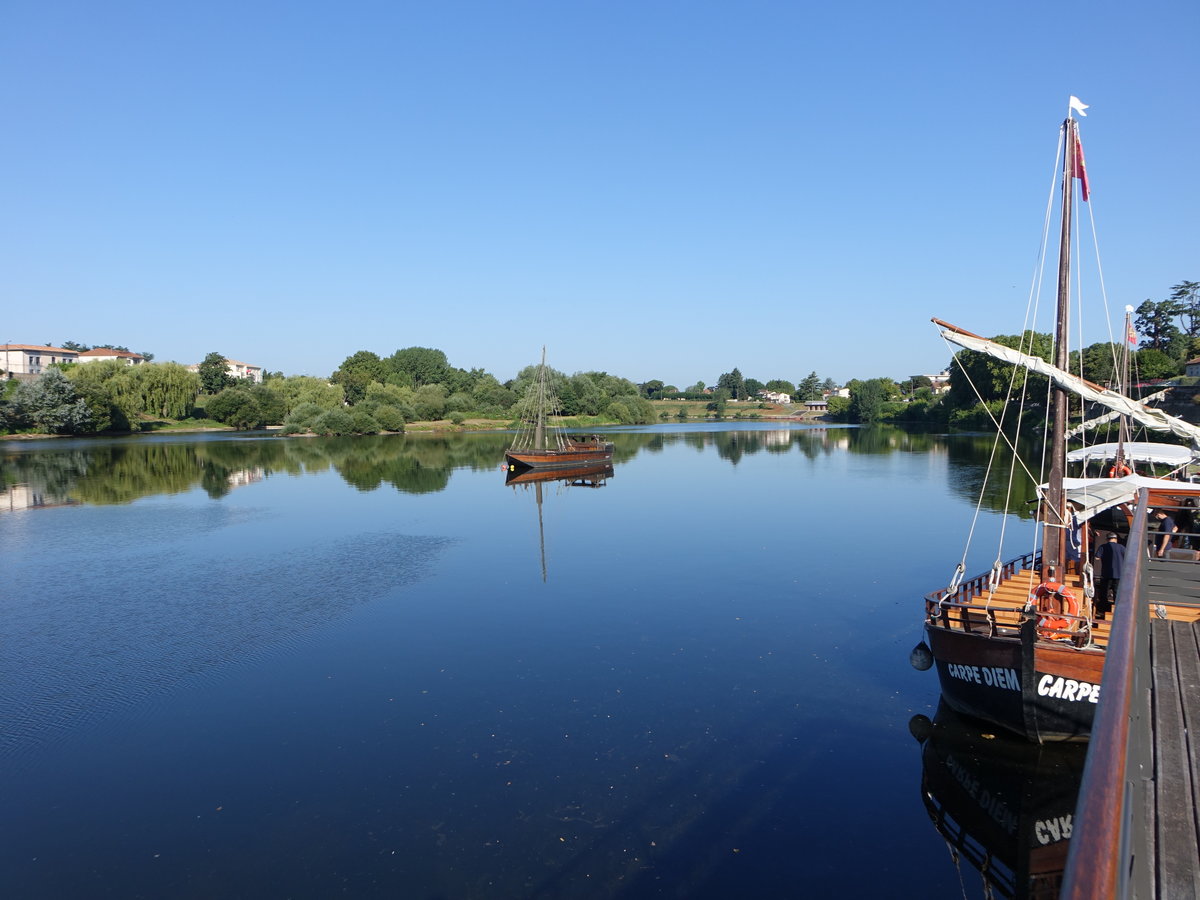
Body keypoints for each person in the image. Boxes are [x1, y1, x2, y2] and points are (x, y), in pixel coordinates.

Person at [1094, 532, 1125, 620]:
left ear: (1107, 539)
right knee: (1117, 593)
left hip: (1106, 574)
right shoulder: (1121, 547)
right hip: (1119, 574)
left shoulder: (1103, 547)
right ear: (1116, 539)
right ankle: (1116, 612)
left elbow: (1097, 557)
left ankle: (1103, 611)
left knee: (1104, 593)